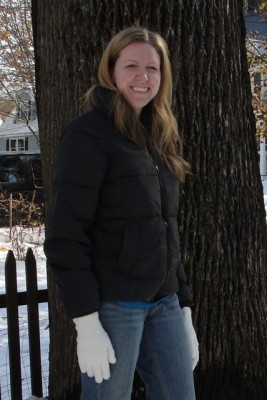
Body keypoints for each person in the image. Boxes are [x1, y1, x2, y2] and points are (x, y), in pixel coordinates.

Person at [44, 26, 199, 400]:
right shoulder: (88, 135)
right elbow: (65, 235)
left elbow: (166, 227)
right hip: (115, 307)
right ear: (111, 71)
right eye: (131, 66)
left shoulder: (156, 136)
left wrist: (184, 306)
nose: (143, 77)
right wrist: (86, 323)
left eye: (153, 68)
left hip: (163, 304)